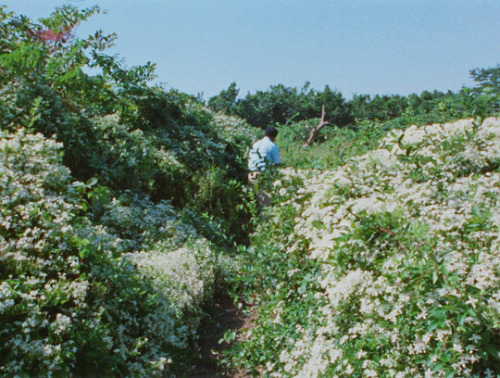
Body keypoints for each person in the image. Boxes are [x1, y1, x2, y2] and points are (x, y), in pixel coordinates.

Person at [247, 127, 281, 208]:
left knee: (255, 201)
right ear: (274, 137)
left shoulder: (255, 144)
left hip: (251, 175)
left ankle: (256, 219)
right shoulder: (272, 146)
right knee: (266, 202)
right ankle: (265, 220)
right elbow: (277, 163)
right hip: (263, 175)